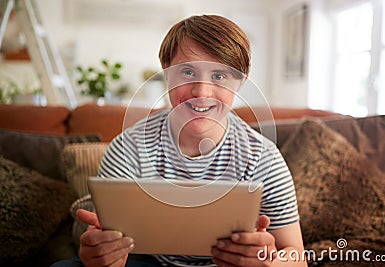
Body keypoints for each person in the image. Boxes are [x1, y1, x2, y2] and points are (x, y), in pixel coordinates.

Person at [52, 14, 306, 267]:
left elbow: (295, 255)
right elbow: (106, 243)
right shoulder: (127, 149)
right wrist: (101, 257)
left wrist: (269, 263)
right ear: (166, 72)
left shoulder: (264, 157)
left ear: (241, 81)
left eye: (219, 76)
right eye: (187, 72)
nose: (201, 92)